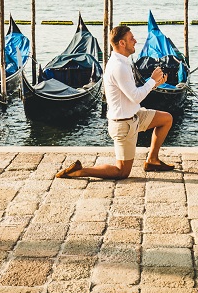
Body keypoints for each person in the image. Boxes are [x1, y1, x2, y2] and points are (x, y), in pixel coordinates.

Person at [56, 25, 175, 179]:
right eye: (131, 38)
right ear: (122, 43)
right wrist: (152, 81)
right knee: (122, 172)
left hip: (135, 115)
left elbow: (130, 93)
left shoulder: (123, 61)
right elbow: (136, 96)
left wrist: (155, 84)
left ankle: (152, 160)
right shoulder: (118, 66)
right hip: (123, 124)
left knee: (166, 119)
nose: (135, 41)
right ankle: (81, 171)